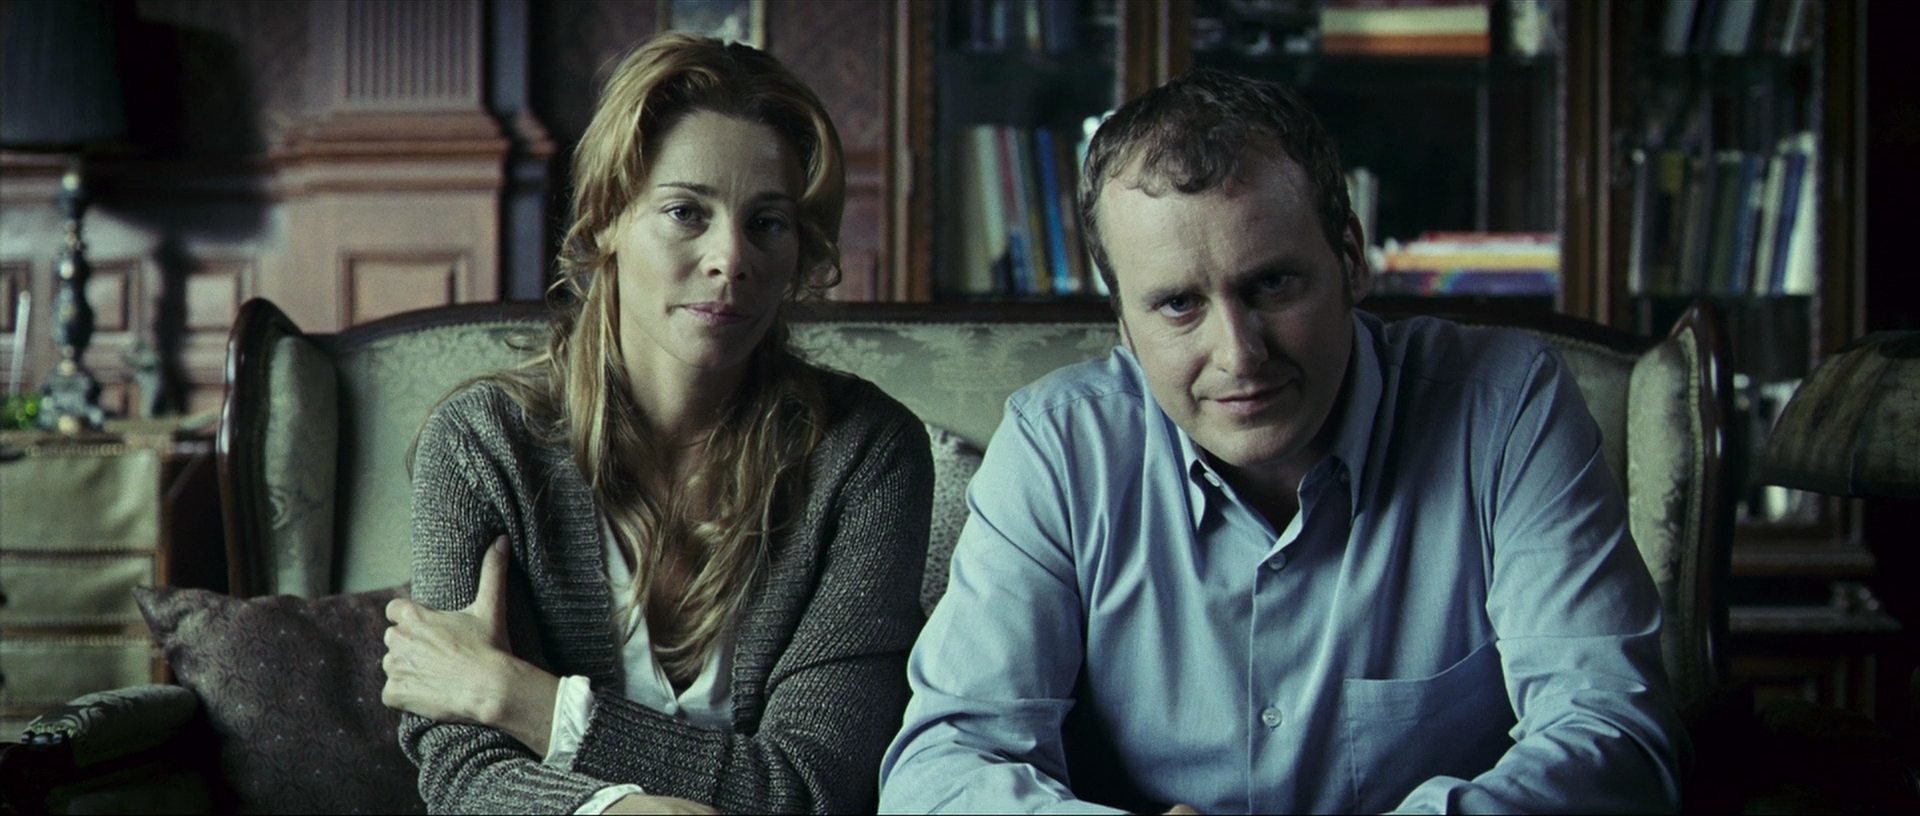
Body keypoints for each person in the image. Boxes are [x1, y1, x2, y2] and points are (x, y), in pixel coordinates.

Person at [878, 68, 1685, 814]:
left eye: (1271, 284)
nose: (1239, 355)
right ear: (1122, 322)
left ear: (1351, 260)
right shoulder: (1059, 449)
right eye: (1178, 305)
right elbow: (939, 773)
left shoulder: (1505, 408)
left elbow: (1614, 740)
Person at [379, 33, 933, 815]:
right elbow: (462, 773)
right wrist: (626, 813)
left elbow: (817, 787)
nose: (731, 257)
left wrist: (520, 699)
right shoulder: (482, 445)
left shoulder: (867, 453)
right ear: (606, 218)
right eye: (685, 212)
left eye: (768, 223)